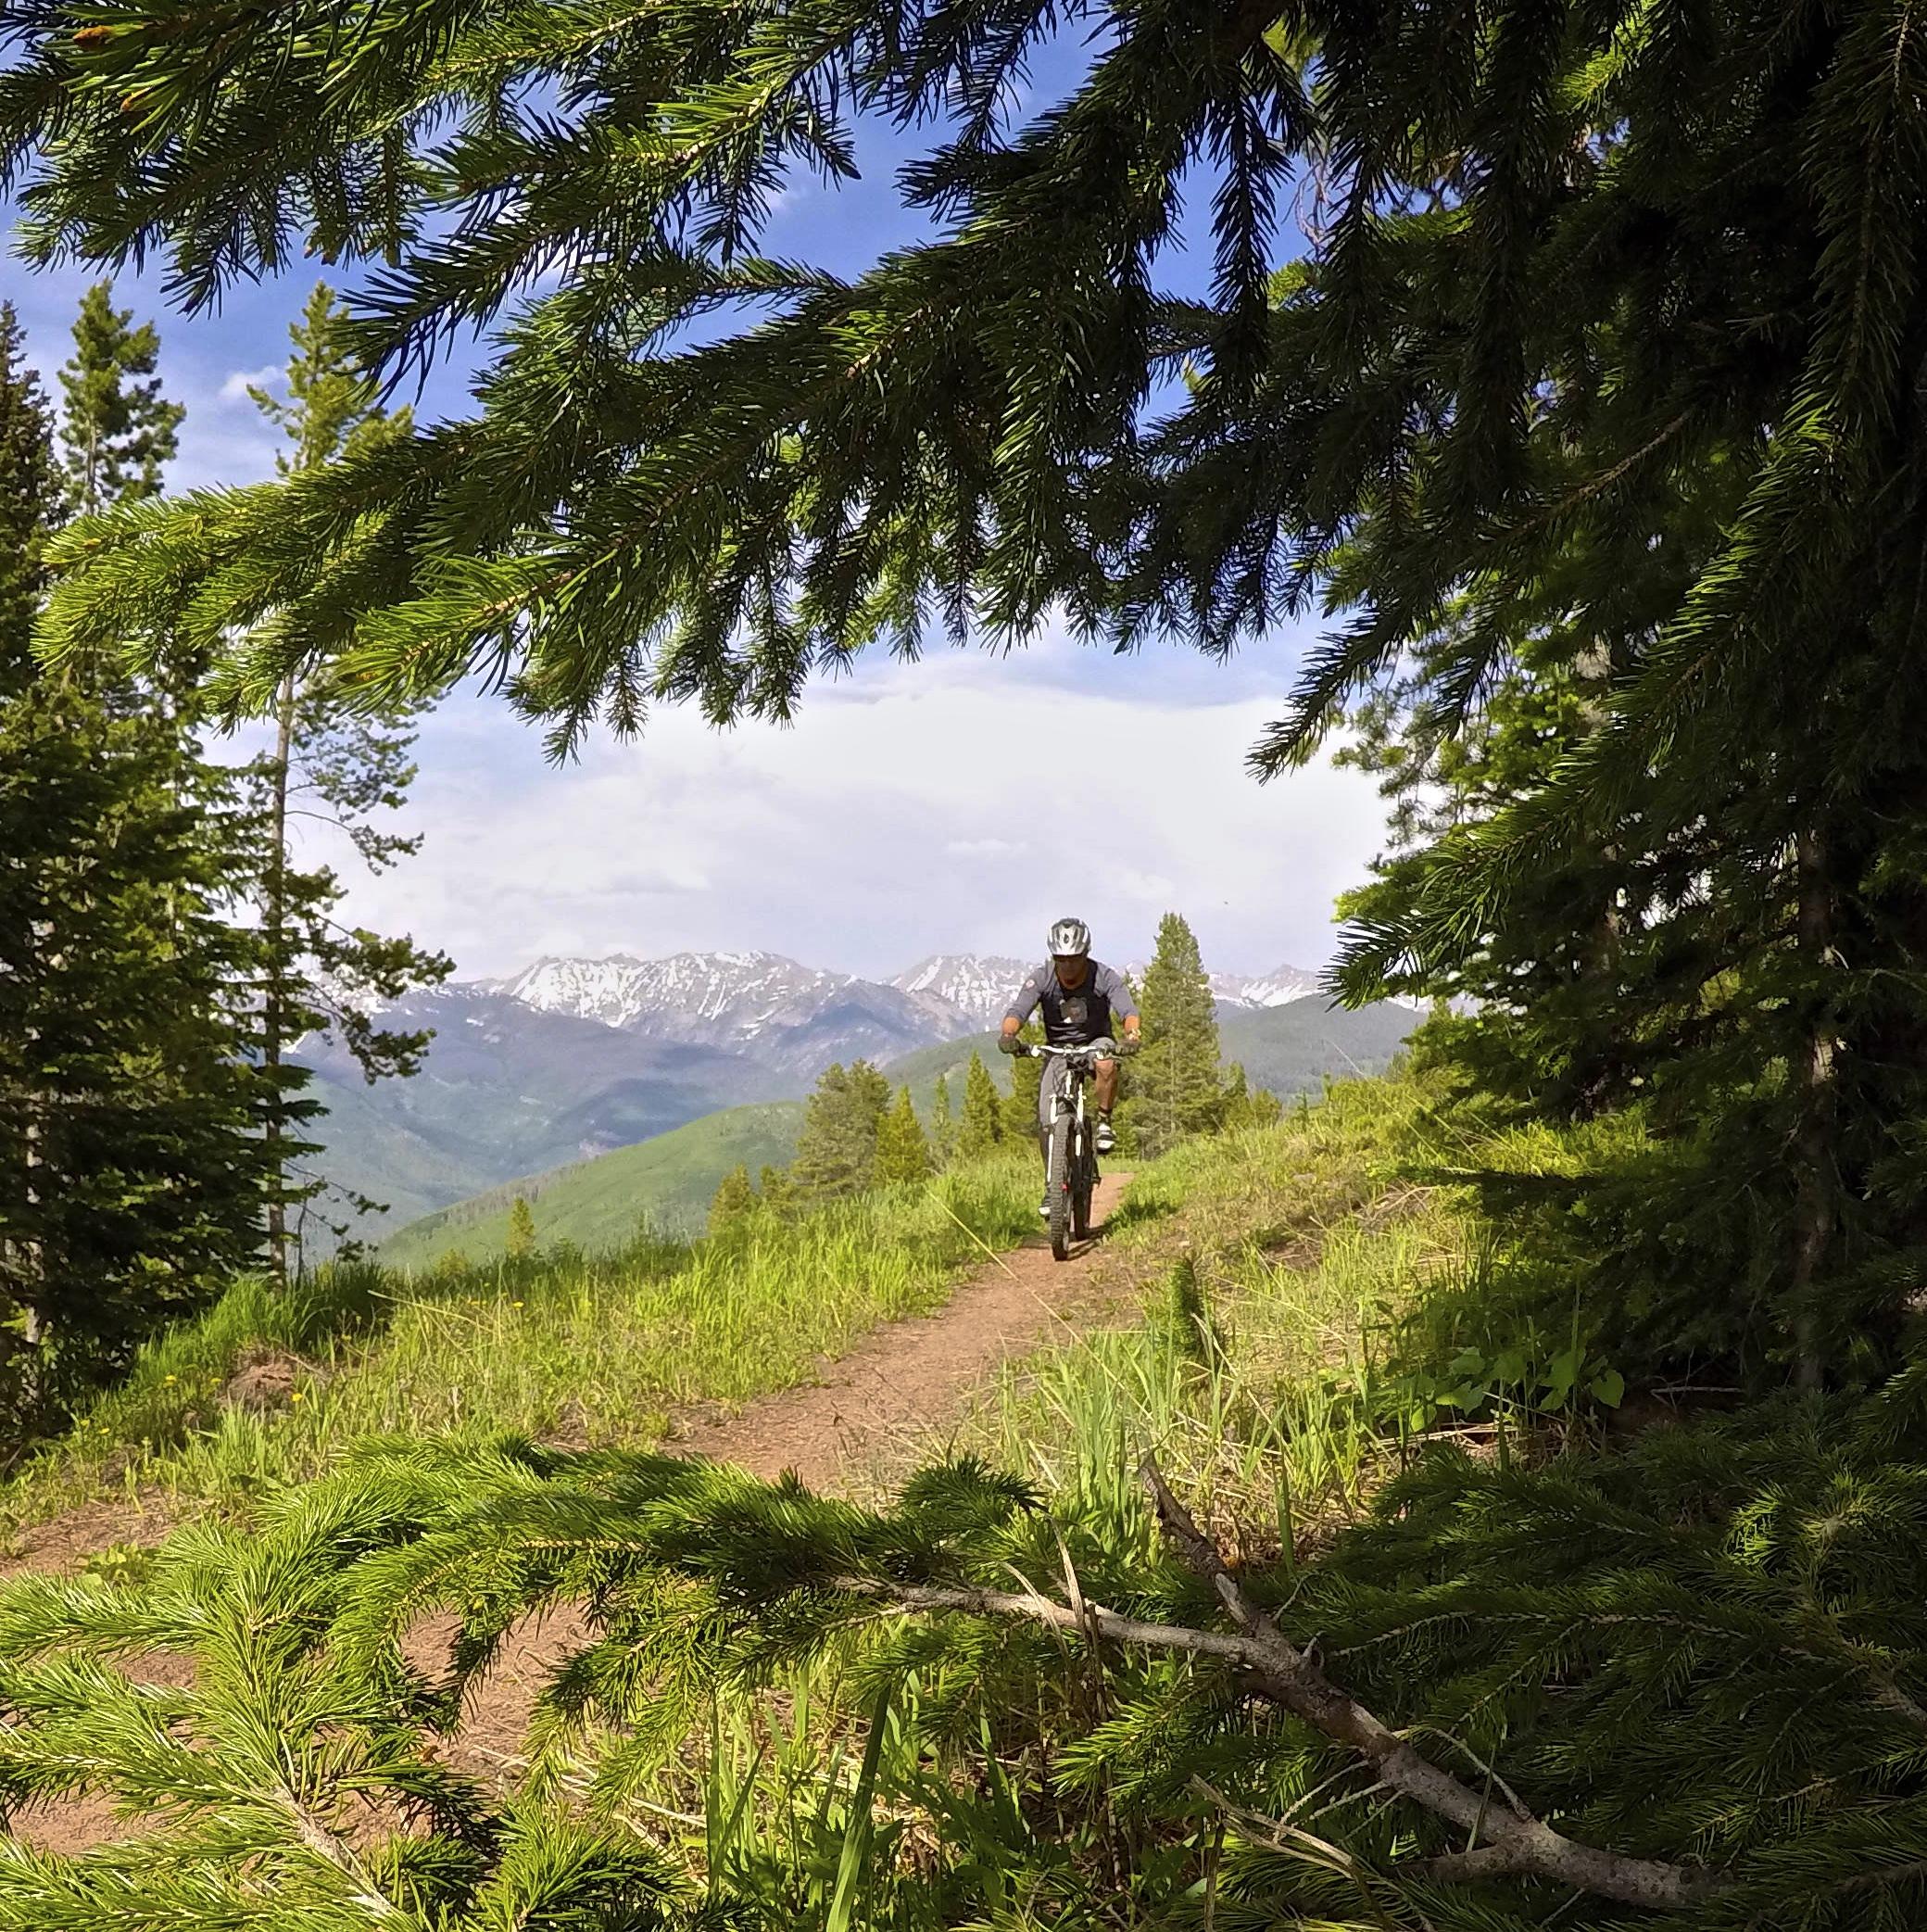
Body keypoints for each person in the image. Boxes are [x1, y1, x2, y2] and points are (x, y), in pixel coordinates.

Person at [999, 917, 1141, 1215]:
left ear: (1085, 954)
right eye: (1060, 959)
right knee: (1045, 1118)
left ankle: (1103, 1122)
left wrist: (1131, 1034)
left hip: (1095, 1041)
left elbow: (1127, 1009)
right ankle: (1052, 1187)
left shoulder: (1104, 976)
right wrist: (1009, 1034)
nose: (1067, 966)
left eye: (1073, 959)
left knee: (1106, 1065)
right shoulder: (1042, 977)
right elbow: (1019, 1009)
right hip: (1058, 1050)